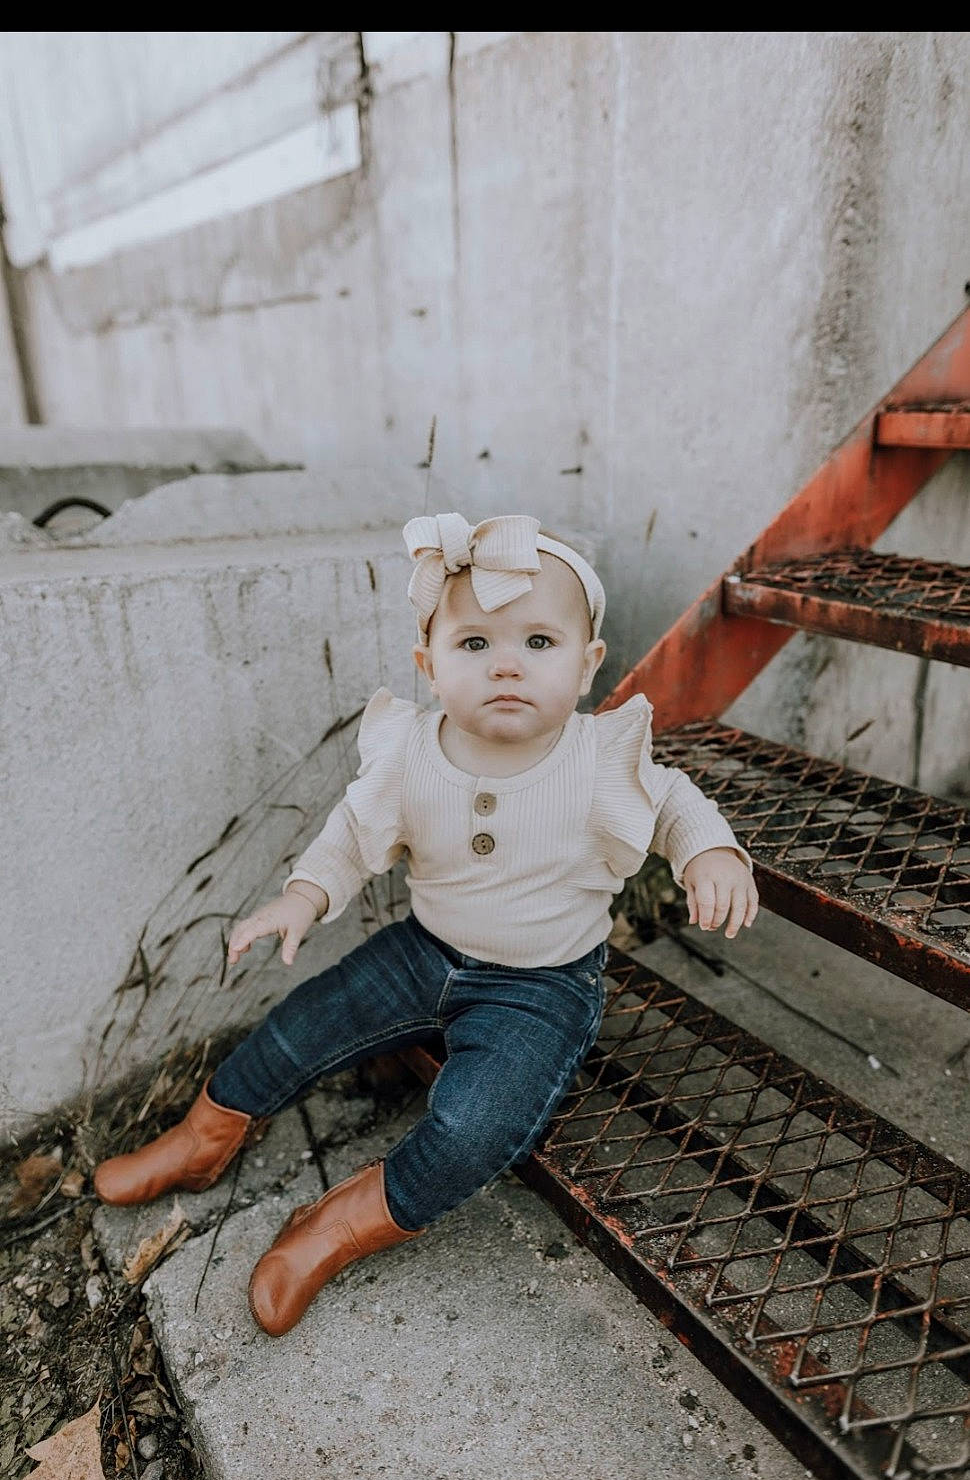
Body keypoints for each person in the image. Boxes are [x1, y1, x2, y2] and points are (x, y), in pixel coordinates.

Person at [94, 512, 759, 1335]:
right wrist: (303, 896)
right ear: (429, 667)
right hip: (425, 950)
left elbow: (674, 803)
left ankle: (336, 1226)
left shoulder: (594, 759)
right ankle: (203, 1137)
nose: (507, 663)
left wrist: (709, 855)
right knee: (305, 1020)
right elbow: (350, 833)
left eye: (540, 643)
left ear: (587, 667)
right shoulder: (413, 751)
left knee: (480, 1122)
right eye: (474, 644)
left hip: (543, 985)